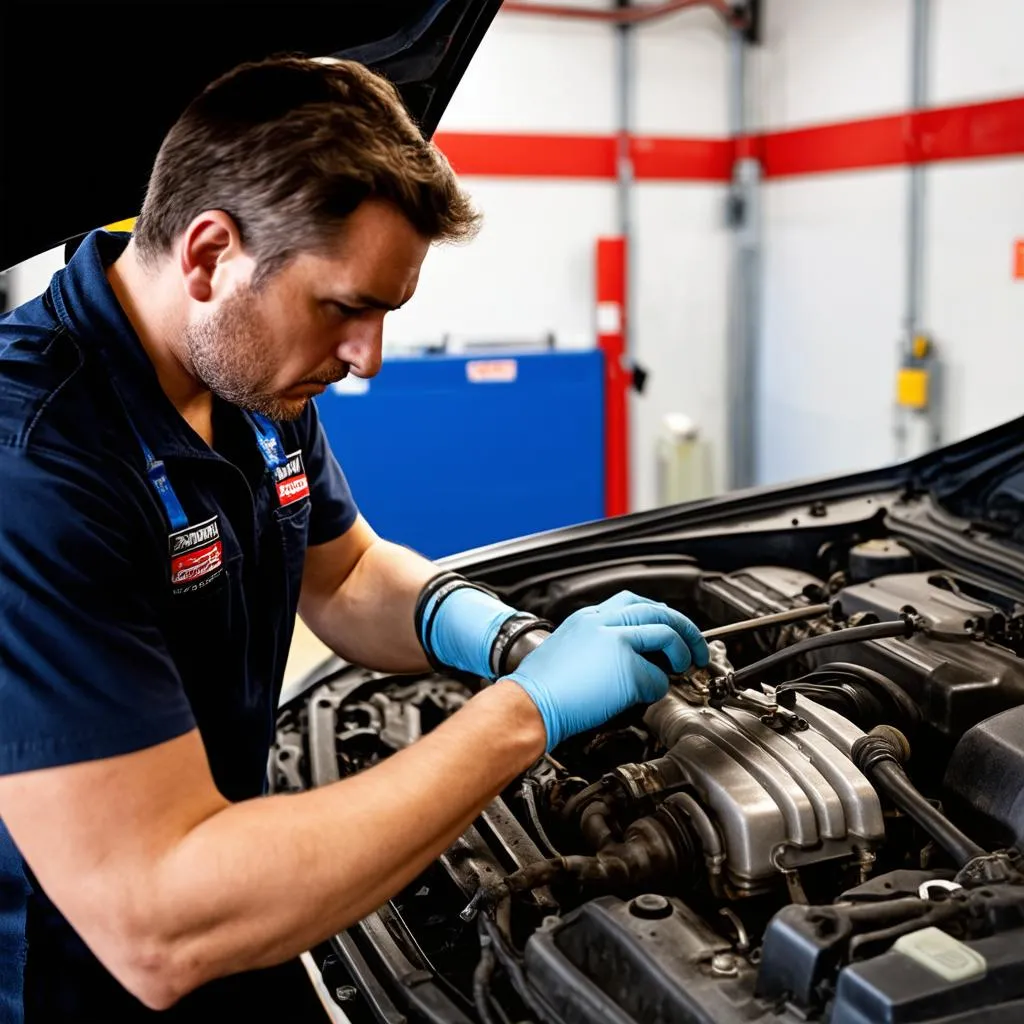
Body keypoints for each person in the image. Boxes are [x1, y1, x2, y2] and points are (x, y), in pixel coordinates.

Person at [0, 55, 708, 1022]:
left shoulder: (248, 376)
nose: (365, 359)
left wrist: (506, 639)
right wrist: (524, 713)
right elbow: (154, 921)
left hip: (239, 881)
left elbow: (345, 573)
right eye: (345, 307)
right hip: (83, 978)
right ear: (209, 256)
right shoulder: (34, 468)